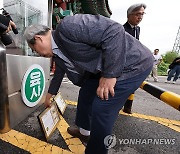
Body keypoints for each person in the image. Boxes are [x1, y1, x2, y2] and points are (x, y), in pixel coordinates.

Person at [24, 14, 153, 154]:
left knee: (102, 107)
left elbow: (114, 29)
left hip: (132, 64)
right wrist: (50, 94)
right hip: (104, 69)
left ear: (38, 39)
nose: (37, 53)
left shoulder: (68, 26)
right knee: (86, 93)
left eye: (34, 49)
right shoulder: (57, 52)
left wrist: (110, 74)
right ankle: (85, 132)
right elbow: (59, 74)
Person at [123, 3, 146, 114]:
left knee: (132, 86)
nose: (140, 17)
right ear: (129, 15)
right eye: (137, 14)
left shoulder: (138, 29)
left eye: (142, 14)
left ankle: (127, 107)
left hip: (133, 63)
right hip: (123, 63)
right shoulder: (122, 29)